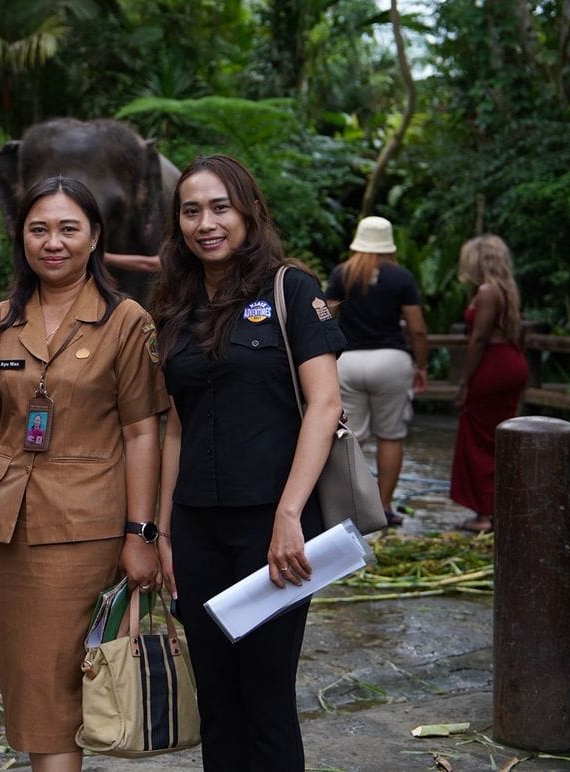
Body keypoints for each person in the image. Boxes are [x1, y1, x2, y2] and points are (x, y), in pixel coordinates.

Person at [0, 176, 165, 772]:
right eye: (38, 229)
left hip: (90, 527)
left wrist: (142, 535)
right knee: (33, 682)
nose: (53, 242)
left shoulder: (127, 322)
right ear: (20, 238)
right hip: (14, 528)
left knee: (62, 686)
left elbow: (143, 431)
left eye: (68, 229)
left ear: (95, 238)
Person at [147, 154, 347, 769]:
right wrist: (162, 530)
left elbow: (324, 403)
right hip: (198, 527)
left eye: (219, 207)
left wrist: (290, 516)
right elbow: (174, 427)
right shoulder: (175, 304)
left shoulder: (291, 288)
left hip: (274, 528)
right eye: (191, 211)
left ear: (249, 212)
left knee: (266, 698)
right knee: (217, 699)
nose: (206, 223)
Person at [325, 216, 429, 527]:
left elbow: (325, 314)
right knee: (391, 436)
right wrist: (421, 365)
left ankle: (348, 510)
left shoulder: (342, 273)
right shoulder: (402, 277)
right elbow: (418, 329)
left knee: (349, 438)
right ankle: (383, 507)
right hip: (391, 361)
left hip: (348, 361)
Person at [449, 234, 527, 534]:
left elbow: (479, 338)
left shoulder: (486, 291)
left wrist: (464, 383)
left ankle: (485, 512)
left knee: (479, 436)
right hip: (511, 360)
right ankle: (499, 506)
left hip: (492, 364)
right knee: (499, 435)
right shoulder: (507, 290)